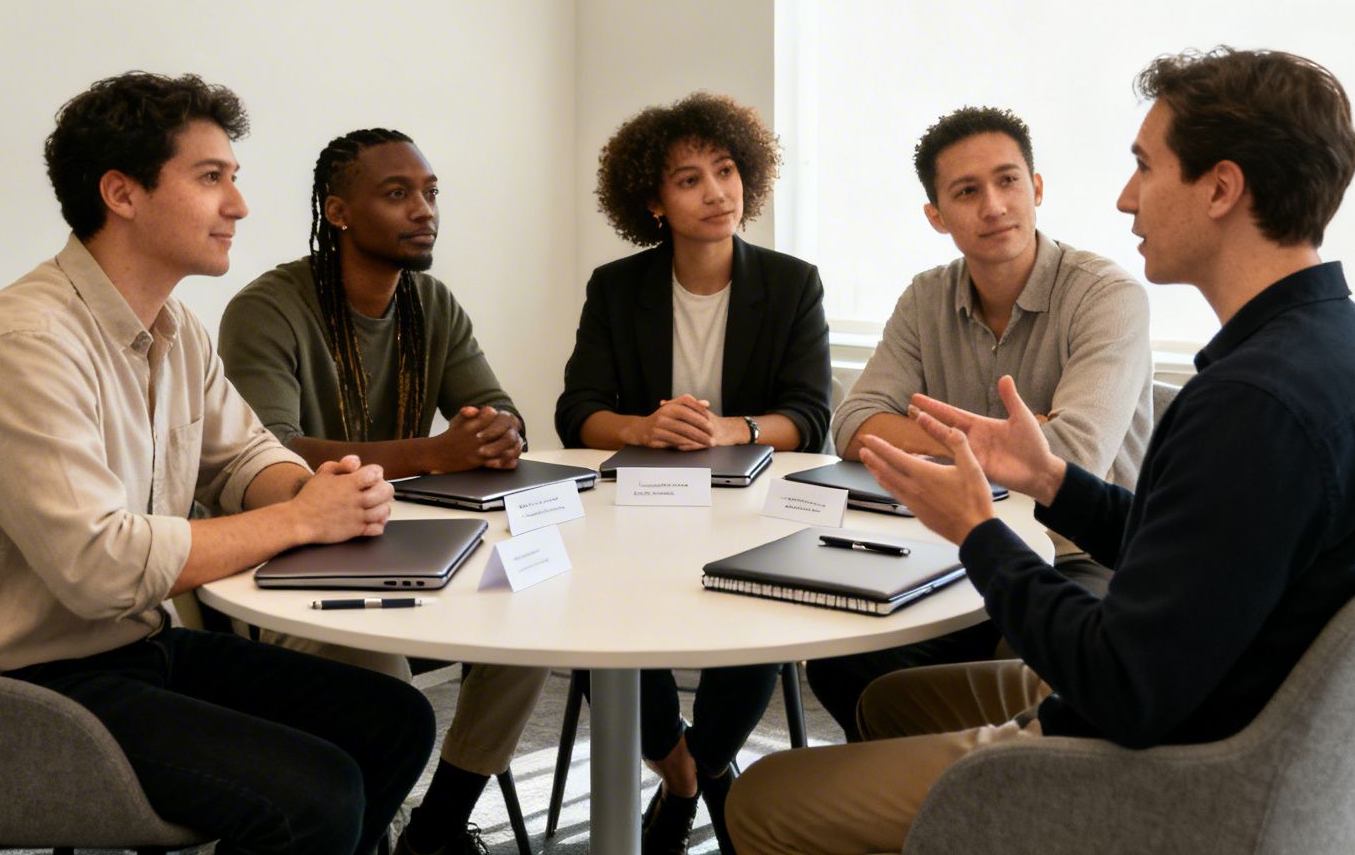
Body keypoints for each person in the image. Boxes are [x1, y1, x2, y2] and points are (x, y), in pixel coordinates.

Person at [727, 47, 1355, 855]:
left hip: (1161, 769)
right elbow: (1204, 555)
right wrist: (1053, 482)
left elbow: (1121, 685)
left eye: (1145, 166)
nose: (1125, 196)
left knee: (763, 798)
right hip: (1214, 702)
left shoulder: (1251, 406)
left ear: (1221, 188)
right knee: (886, 702)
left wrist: (979, 533)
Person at [0, 72, 433, 855]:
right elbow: (99, 567)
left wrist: (316, 490)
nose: (239, 206)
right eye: (211, 178)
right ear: (122, 193)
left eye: (234, 179)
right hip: (15, 689)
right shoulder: (25, 346)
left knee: (394, 720)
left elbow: (242, 454)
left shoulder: (174, 327)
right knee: (314, 798)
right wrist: (296, 519)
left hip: (126, 651)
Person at [219, 128, 545, 855]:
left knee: (530, 621)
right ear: (337, 212)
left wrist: (500, 433)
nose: (423, 210)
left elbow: (496, 408)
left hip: (412, 547)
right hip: (285, 567)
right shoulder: (267, 309)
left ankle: (433, 831)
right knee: (389, 692)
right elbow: (271, 453)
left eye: (430, 193)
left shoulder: (432, 303)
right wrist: (434, 452)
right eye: (397, 194)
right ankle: (366, 832)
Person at [810, 107, 1153, 739]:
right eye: (967, 192)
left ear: (1037, 188)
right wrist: (1005, 439)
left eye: (1008, 181)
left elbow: (1073, 454)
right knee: (842, 660)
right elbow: (854, 422)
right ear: (936, 216)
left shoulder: (1107, 294)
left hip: (1083, 551)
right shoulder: (924, 297)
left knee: (1048, 672)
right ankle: (928, 812)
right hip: (954, 545)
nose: (993, 205)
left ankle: (988, 805)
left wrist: (924, 431)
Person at [556, 92, 831, 855]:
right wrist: (641, 426)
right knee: (594, 625)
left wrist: (730, 429)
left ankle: (701, 766)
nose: (717, 192)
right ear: (652, 201)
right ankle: (695, 781)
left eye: (727, 170)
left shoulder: (791, 282)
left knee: (768, 613)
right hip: (639, 506)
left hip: (754, 507)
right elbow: (577, 410)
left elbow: (810, 415)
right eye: (688, 179)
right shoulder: (618, 287)